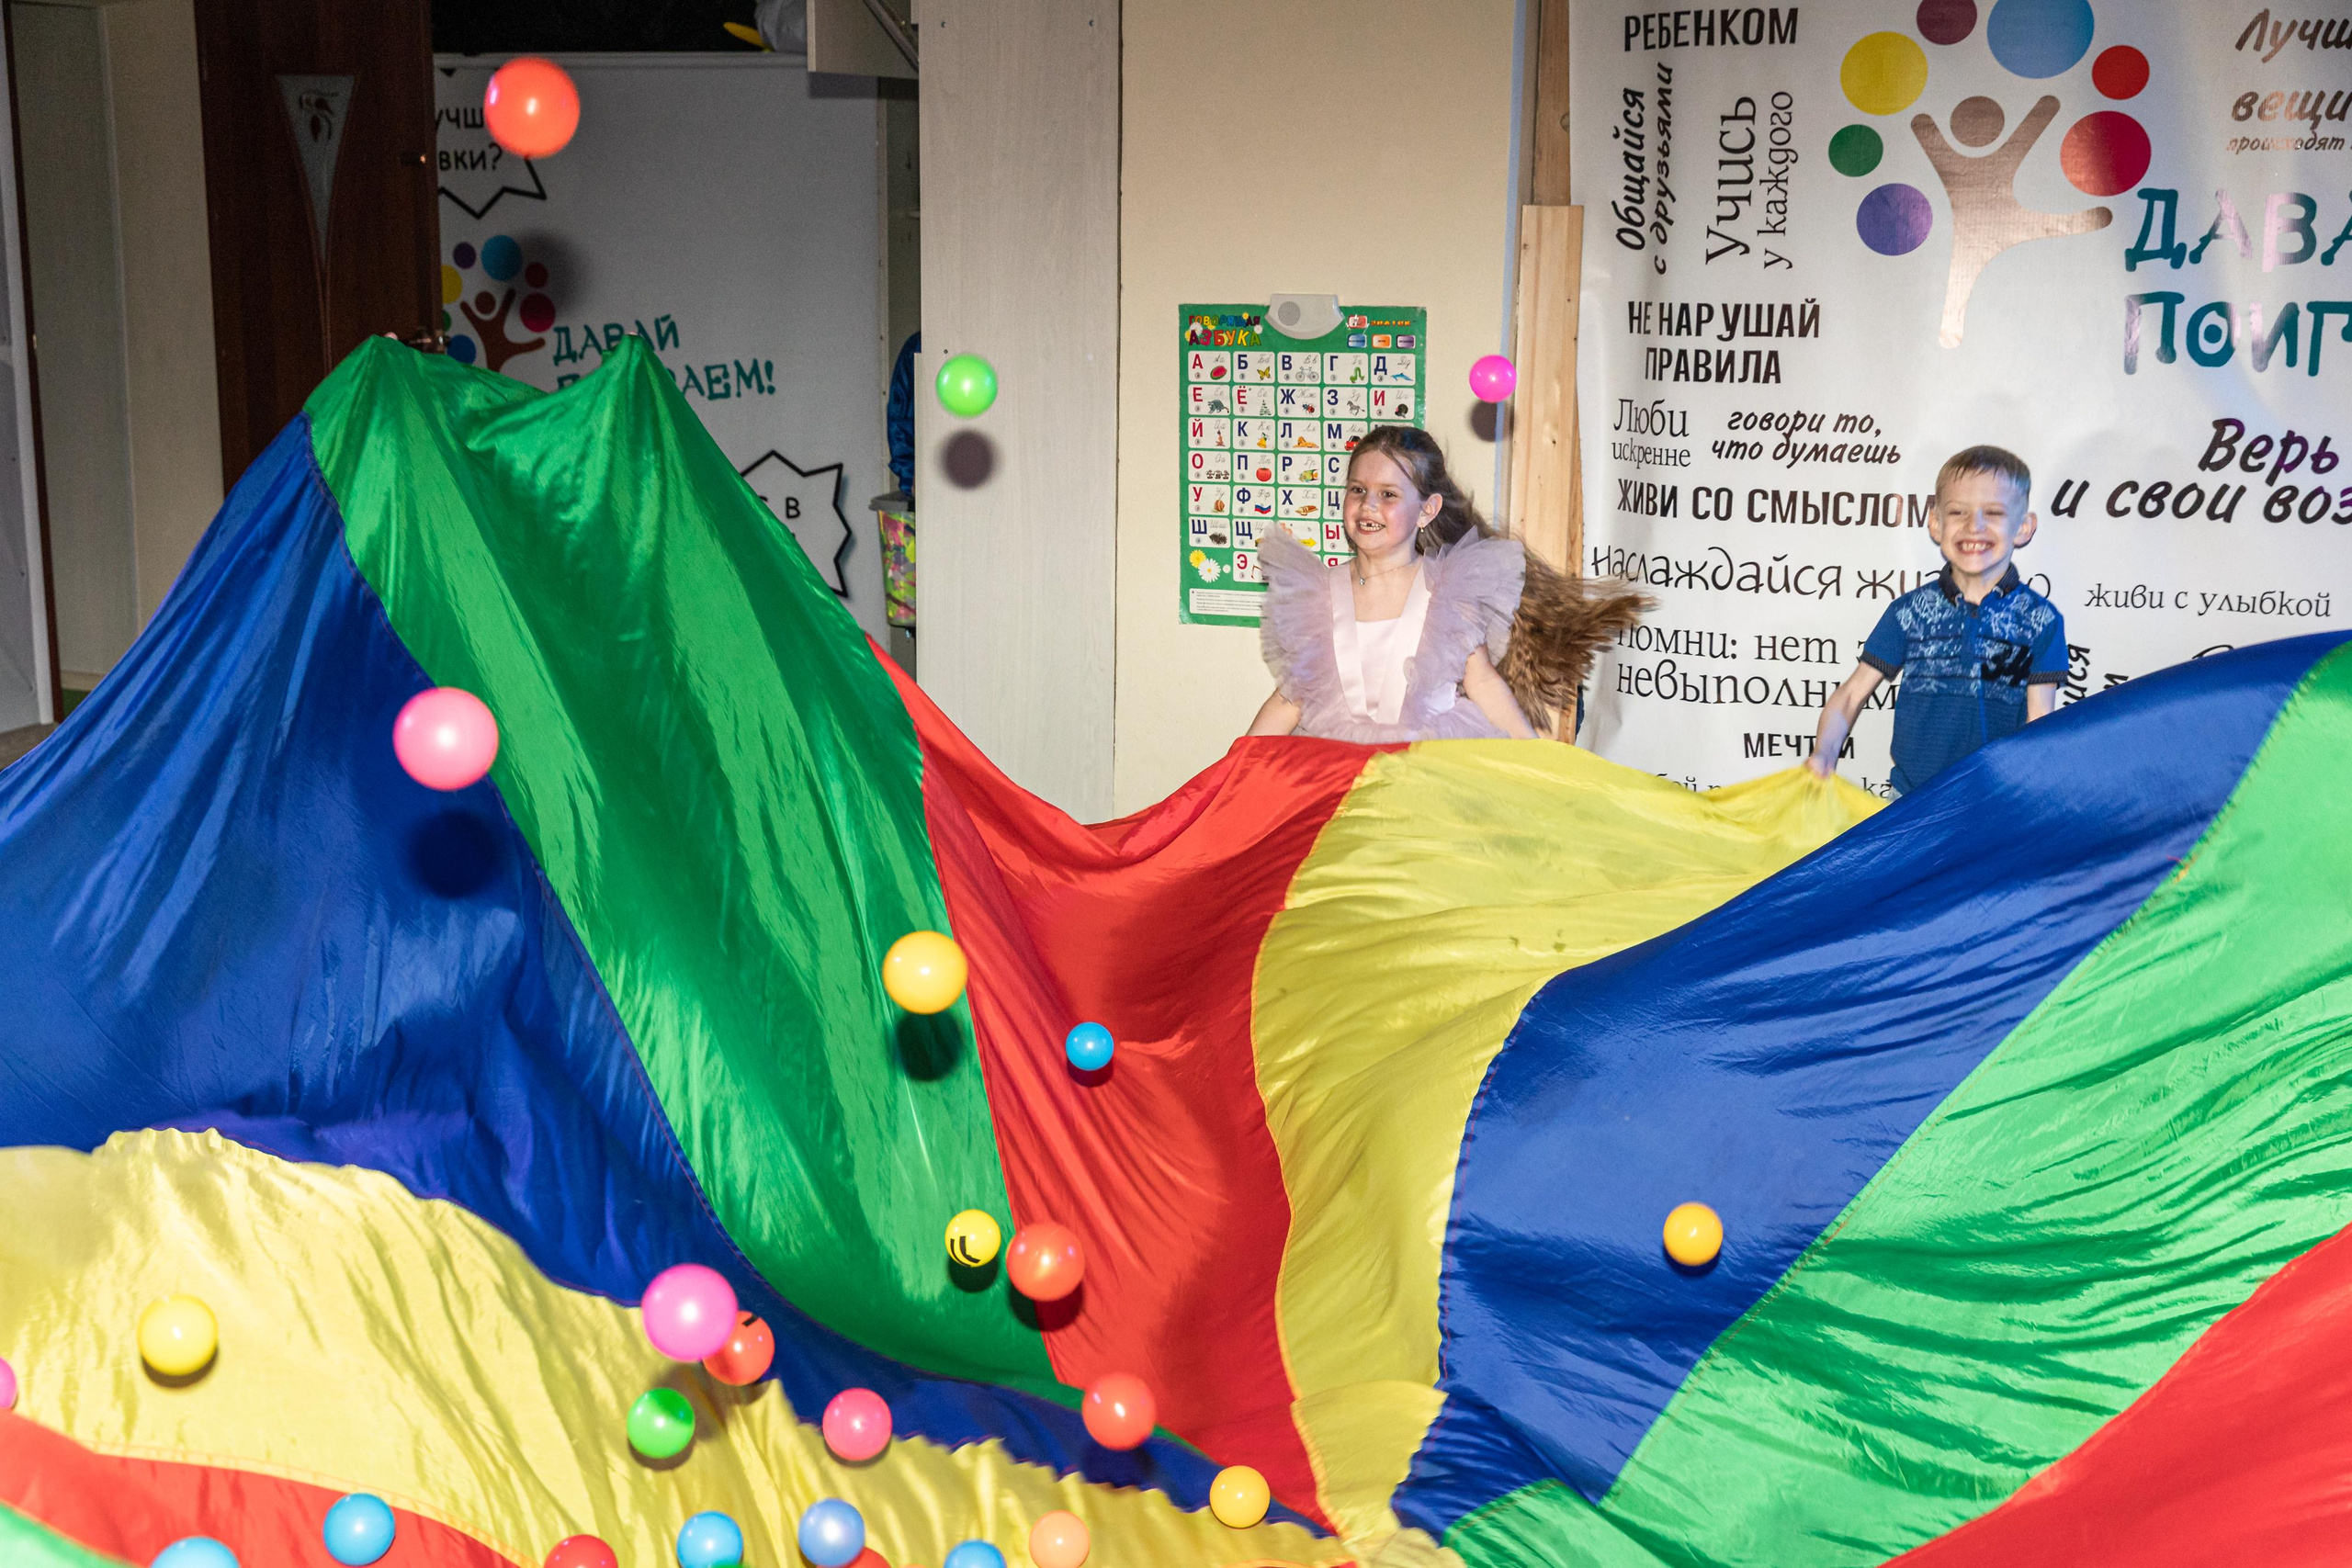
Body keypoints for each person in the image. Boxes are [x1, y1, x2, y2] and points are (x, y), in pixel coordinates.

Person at [1247, 425, 1645, 743]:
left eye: (1388, 494)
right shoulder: (1318, 595)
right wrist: (1233, 771)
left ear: (1427, 510)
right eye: (1358, 490)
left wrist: (1533, 756)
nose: (1368, 505)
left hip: (1426, 766)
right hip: (1333, 763)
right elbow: (1289, 699)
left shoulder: (1446, 591)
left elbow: (1483, 682)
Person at [1808, 445, 2064, 794]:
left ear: (2023, 527)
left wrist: (2035, 791)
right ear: (1935, 524)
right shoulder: (1909, 612)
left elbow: (2041, 722)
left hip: (1999, 802)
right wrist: (1822, 756)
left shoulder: (2041, 621)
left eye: (1993, 512)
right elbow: (1852, 694)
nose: (1974, 526)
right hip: (1912, 802)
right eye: (1958, 512)